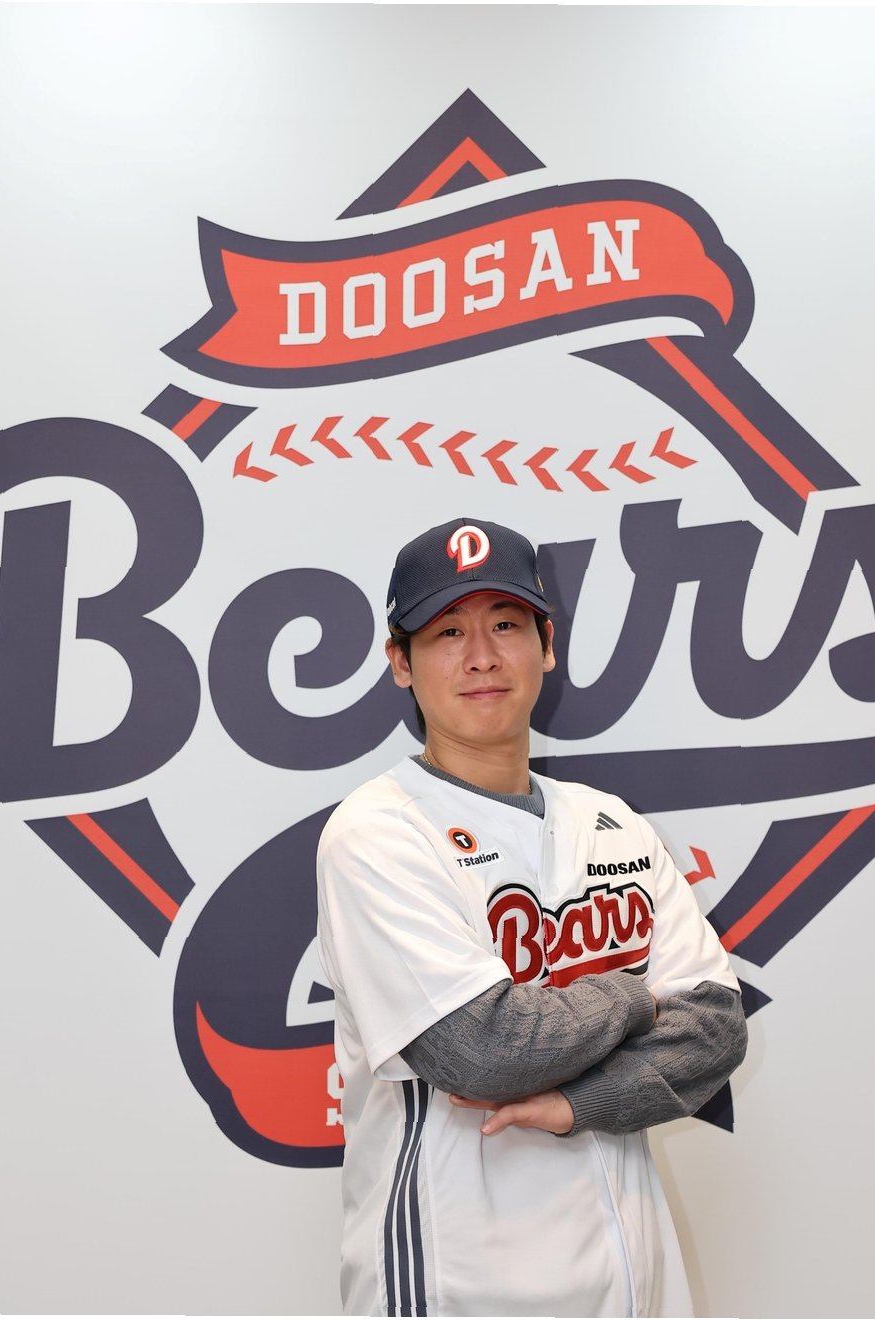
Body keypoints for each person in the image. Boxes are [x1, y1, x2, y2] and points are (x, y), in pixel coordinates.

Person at [316, 517, 747, 1318]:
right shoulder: (378, 831)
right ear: (400, 661)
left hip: (637, 1284)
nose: (482, 656)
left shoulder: (614, 822)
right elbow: (485, 1049)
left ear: (547, 645)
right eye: (448, 631)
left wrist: (581, 1102)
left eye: (507, 624)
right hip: (459, 1284)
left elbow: (716, 1028)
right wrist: (634, 995)